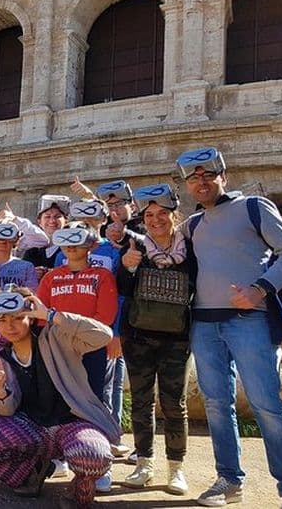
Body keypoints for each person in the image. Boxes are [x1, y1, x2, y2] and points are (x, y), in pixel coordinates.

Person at [176, 147, 282, 507]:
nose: (201, 182)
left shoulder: (254, 207)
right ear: (187, 185)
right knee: (217, 404)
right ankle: (229, 480)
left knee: (267, 404)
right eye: (193, 178)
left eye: (208, 175)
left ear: (223, 176)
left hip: (249, 319)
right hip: (205, 325)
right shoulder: (191, 225)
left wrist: (260, 289)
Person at [0, 288, 118, 507]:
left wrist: (51, 315)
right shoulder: (3, 357)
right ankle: (32, 472)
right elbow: (6, 412)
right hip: (32, 428)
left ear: (31, 318)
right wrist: (0, 391)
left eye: (18, 318)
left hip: (73, 424)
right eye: (2, 320)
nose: (10, 326)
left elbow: (103, 335)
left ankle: (79, 489)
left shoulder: (57, 337)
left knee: (93, 458)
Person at [117, 183, 195, 495]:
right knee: (141, 402)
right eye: (149, 214)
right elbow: (122, 289)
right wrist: (126, 268)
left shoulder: (191, 249)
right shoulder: (135, 247)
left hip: (177, 338)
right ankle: (144, 465)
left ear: (174, 215)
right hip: (138, 337)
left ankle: (176, 469)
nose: (156, 219)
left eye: (163, 213)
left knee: (175, 403)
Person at [38, 224, 119, 492]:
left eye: (77, 241)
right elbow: (41, 313)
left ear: (91, 245)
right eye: (66, 241)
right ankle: (61, 457)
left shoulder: (102, 275)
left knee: (94, 401)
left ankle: (101, 464)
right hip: (58, 349)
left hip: (91, 347)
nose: (71, 247)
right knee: (59, 399)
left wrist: (81, 337)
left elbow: (105, 318)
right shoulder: (51, 277)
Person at [23, 194, 70, 282]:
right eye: (47, 216)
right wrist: (32, 274)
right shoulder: (32, 251)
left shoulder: (71, 249)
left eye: (57, 216)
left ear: (66, 221)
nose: (52, 221)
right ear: (39, 222)